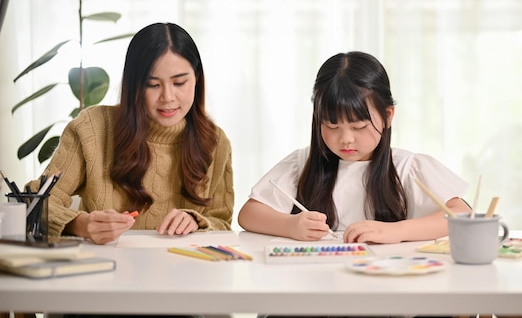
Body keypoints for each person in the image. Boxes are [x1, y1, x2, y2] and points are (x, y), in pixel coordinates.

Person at [26, 22, 234, 246]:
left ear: (197, 80)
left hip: (185, 272)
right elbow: (35, 202)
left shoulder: (215, 141)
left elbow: (221, 222)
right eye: (153, 85)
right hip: (107, 270)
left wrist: (196, 220)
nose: (168, 97)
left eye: (180, 82)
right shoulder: (92, 128)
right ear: (134, 85)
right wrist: (80, 224)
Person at [238, 51, 470, 245]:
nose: (346, 139)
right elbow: (249, 214)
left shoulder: (407, 167)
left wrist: (396, 232)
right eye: (332, 125)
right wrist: (290, 225)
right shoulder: (303, 162)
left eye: (358, 126)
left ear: (388, 116)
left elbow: (462, 214)